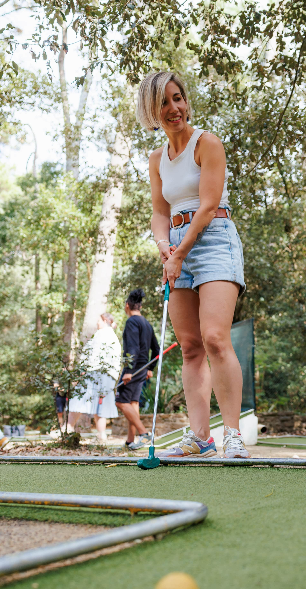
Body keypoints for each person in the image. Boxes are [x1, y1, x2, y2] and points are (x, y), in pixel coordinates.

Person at [136, 71, 250, 458]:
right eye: (165, 102)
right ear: (152, 110)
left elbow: (207, 204)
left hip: (214, 239)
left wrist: (180, 251)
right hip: (178, 248)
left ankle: (233, 434)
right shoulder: (156, 159)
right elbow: (158, 211)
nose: (175, 108)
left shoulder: (207, 143)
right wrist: (164, 247)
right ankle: (200, 437)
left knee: (216, 338)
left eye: (179, 98)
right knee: (189, 346)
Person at [66, 313, 121, 443]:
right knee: (100, 405)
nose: (97, 323)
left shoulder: (101, 334)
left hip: (95, 372)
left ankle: (68, 428)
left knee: (78, 399)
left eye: (99, 320)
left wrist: (81, 372)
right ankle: (101, 435)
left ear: (105, 320)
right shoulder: (113, 337)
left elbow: (91, 355)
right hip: (108, 375)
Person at [116, 289, 158, 451]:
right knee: (132, 403)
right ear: (139, 306)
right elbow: (156, 349)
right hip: (142, 368)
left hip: (133, 369)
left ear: (127, 305)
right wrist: (150, 368)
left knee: (120, 401)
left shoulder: (132, 322)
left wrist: (128, 370)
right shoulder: (146, 324)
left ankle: (144, 433)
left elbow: (132, 347)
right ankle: (130, 441)